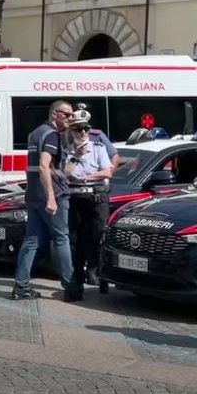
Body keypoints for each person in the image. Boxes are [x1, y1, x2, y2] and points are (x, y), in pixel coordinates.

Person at [12, 101, 75, 301]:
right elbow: (43, 166)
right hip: (52, 194)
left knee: (31, 240)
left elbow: (32, 167)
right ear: (55, 114)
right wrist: (51, 197)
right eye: (68, 115)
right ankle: (70, 285)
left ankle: (21, 286)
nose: (71, 119)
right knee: (62, 238)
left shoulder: (35, 133)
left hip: (34, 195)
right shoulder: (51, 135)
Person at [63, 109, 113, 296]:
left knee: (97, 238)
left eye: (86, 129)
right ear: (73, 131)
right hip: (76, 198)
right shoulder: (68, 151)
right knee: (77, 242)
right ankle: (77, 283)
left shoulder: (98, 148)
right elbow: (65, 173)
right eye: (79, 129)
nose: (83, 132)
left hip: (96, 197)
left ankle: (99, 275)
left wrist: (88, 176)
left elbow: (107, 172)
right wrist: (75, 155)